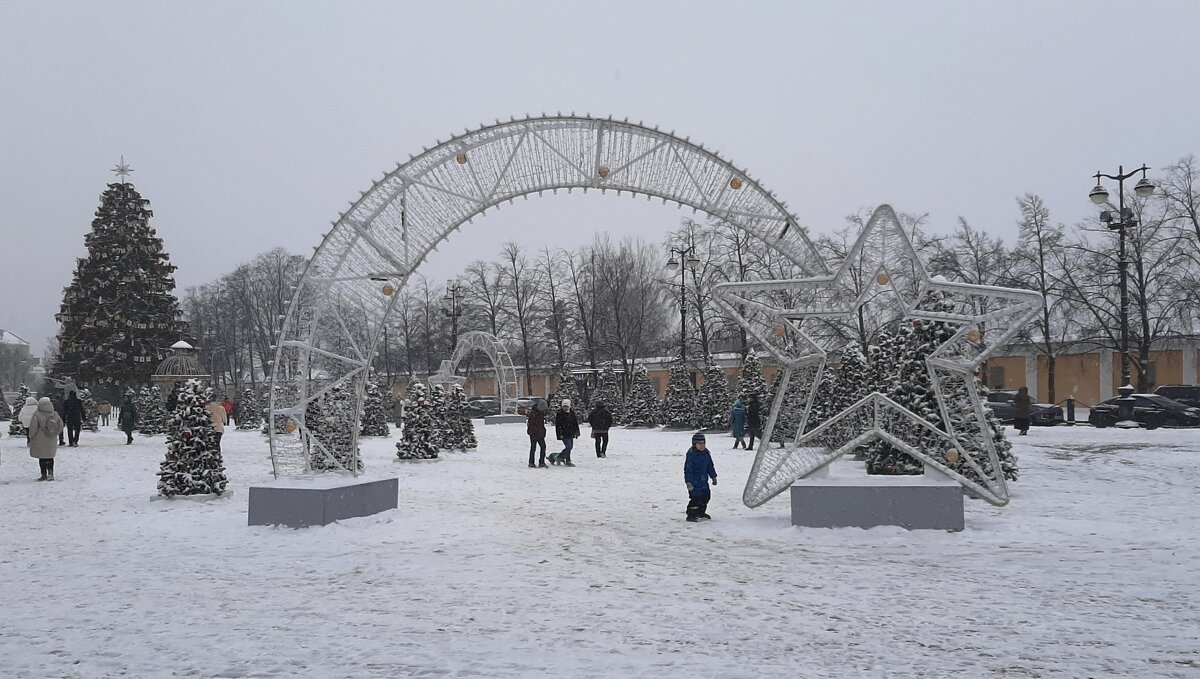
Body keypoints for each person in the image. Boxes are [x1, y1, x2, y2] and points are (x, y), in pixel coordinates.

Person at [683, 432, 718, 522]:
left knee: (706, 497)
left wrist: (713, 476)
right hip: (694, 483)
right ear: (695, 444)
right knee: (696, 499)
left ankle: (701, 512)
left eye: (703, 443)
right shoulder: (692, 455)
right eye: (699, 444)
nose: (702, 445)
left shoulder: (706, 454)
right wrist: (688, 482)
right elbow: (688, 470)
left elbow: (710, 466)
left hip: (703, 482)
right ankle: (691, 515)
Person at [28, 397, 63, 481]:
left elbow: (33, 427)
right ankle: (50, 473)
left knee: (42, 457)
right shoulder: (55, 414)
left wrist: (31, 436)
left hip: (39, 439)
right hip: (51, 439)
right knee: (50, 456)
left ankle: (43, 474)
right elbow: (61, 425)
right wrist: (55, 433)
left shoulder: (37, 414)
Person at [550, 399, 580, 467]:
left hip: (571, 432)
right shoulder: (560, 414)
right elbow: (558, 426)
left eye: (567, 406)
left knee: (570, 447)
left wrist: (577, 431)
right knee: (568, 447)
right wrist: (559, 434)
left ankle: (562, 458)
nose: (565, 408)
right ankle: (564, 459)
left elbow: (575, 423)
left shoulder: (572, 413)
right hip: (564, 433)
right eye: (564, 406)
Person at [526, 402, 548, 468]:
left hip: (540, 433)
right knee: (533, 448)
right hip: (534, 434)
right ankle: (531, 462)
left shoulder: (541, 413)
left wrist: (543, 431)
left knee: (543, 447)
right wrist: (532, 432)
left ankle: (541, 462)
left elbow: (541, 424)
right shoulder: (533, 413)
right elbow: (530, 424)